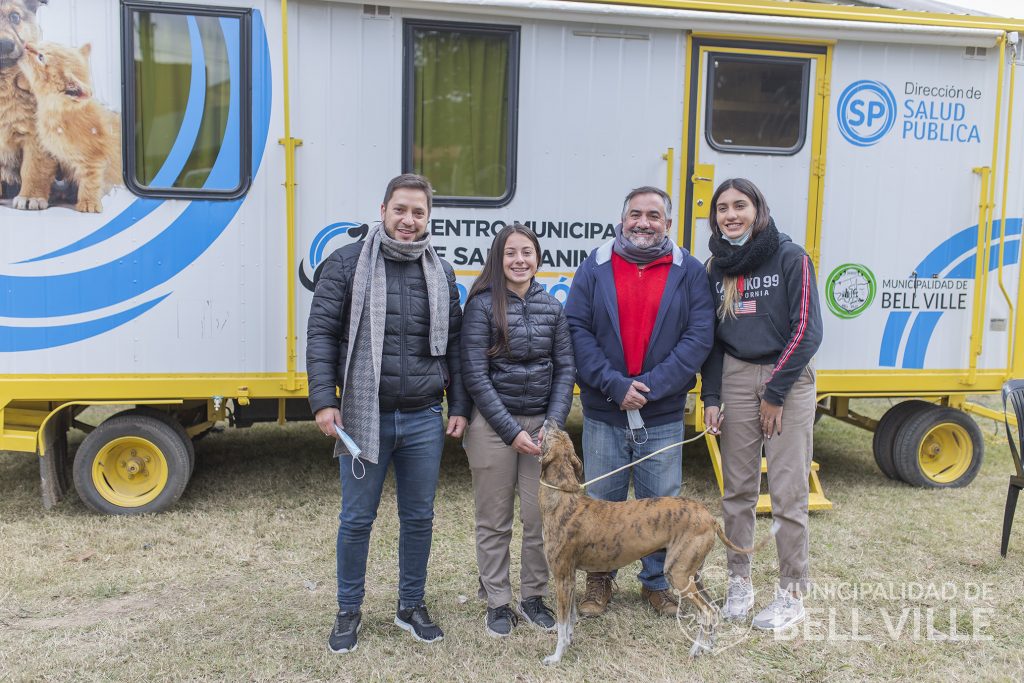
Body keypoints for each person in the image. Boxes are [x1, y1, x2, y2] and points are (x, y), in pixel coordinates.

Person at [306, 173, 470, 654]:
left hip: (423, 417)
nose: (408, 220)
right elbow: (320, 336)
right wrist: (323, 399)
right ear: (382, 211)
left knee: (419, 518)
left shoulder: (441, 272)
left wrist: (458, 405)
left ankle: (410, 606)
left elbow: (456, 346)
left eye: (418, 212)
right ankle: (348, 611)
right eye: (400, 209)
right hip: (363, 413)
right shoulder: (345, 264)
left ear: (428, 219)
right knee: (357, 520)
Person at [564, 186, 715, 618]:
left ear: (667, 223)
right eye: (635, 214)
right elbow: (577, 330)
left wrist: (648, 387)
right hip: (604, 409)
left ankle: (657, 584)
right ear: (622, 218)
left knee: (660, 505)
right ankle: (598, 581)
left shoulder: (688, 271)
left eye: (653, 215)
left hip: (662, 411)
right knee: (602, 503)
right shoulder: (595, 266)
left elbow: (699, 336)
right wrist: (614, 385)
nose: (643, 222)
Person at [700, 178, 822, 631]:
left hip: (786, 378)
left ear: (758, 209)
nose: (731, 214)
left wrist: (774, 394)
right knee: (738, 490)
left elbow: (807, 331)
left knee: (789, 493)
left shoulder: (791, 257)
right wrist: (711, 396)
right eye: (722, 208)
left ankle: (791, 594)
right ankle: (739, 581)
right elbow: (711, 340)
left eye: (740, 205)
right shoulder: (716, 267)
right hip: (734, 374)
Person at [460, 224, 575, 637]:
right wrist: (510, 431)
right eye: (511, 253)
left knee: (539, 518)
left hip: (541, 428)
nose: (519, 260)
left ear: (538, 257)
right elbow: (475, 374)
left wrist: (553, 425)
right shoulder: (481, 305)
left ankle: (532, 596)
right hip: (492, 426)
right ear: (499, 258)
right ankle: (497, 601)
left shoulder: (553, 307)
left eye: (527, 252)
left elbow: (565, 369)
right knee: (494, 520)